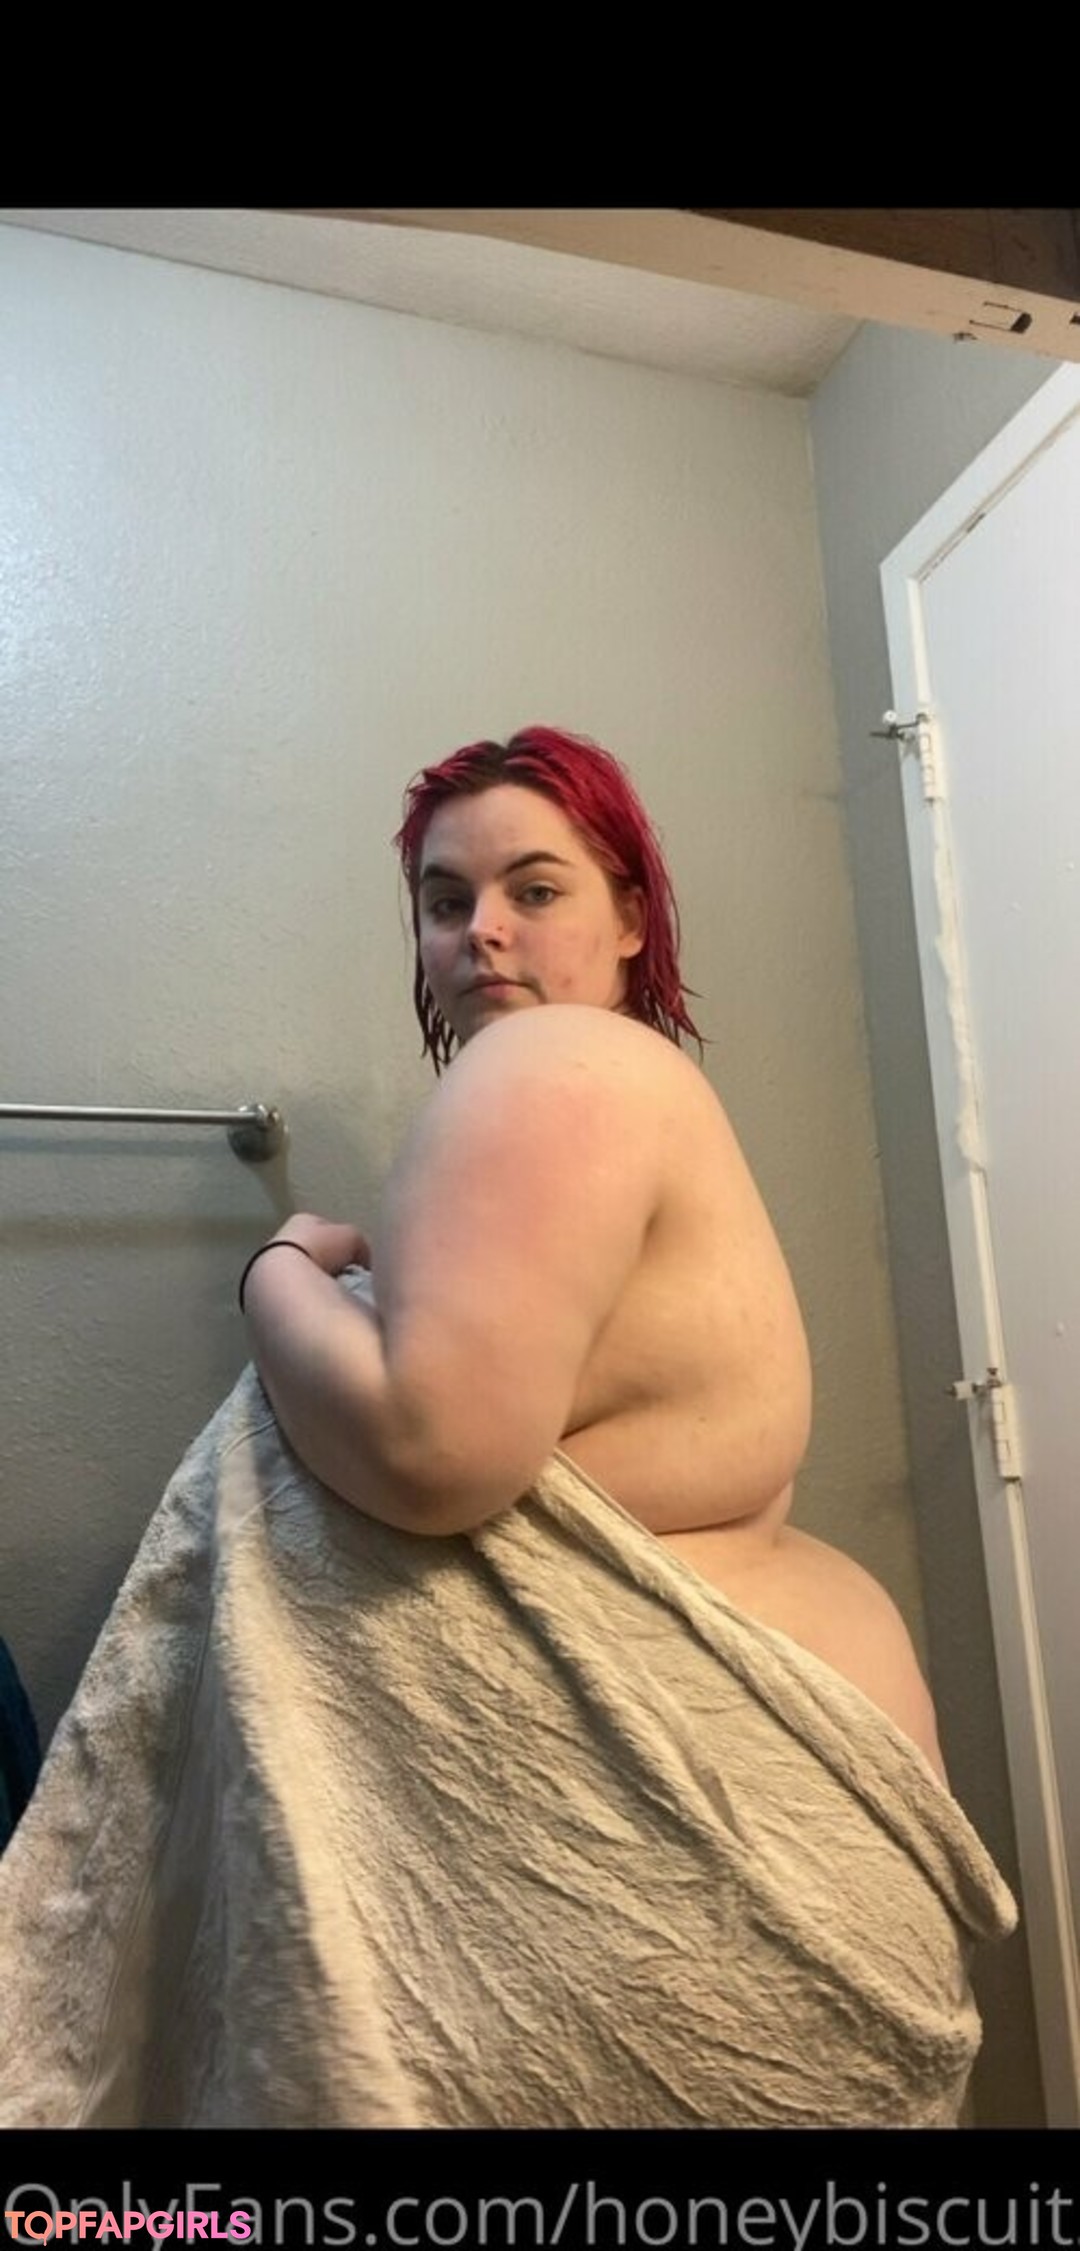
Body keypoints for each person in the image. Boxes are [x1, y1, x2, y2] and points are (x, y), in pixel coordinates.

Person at [240, 723, 947, 1785]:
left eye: (533, 891)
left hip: (714, 1756)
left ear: (629, 917)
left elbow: (426, 1449)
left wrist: (277, 1271)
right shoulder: (626, 1079)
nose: (482, 930)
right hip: (794, 1733)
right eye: (446, 903)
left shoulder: (554, 1063)